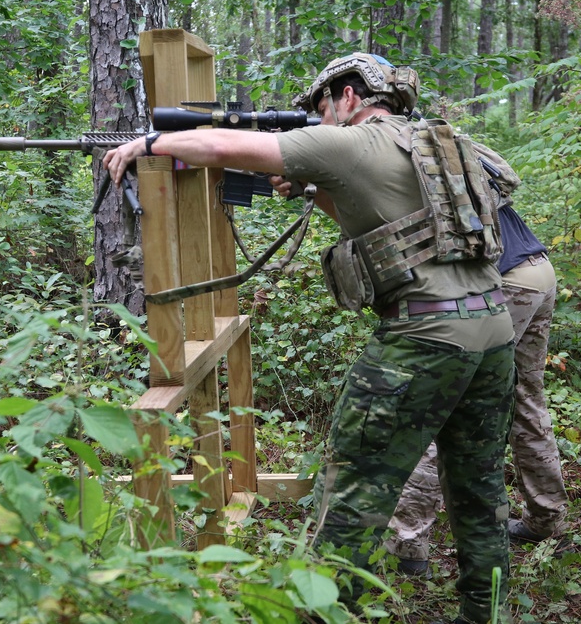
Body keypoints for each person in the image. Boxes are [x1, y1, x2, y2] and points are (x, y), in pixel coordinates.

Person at [104, 53, 516, 624]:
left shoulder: (348, 142)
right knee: (480, 488)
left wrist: (145, 147)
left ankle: (327, 614)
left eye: (320, 108)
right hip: (492, 330)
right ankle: (485, 611)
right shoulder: (426, 143)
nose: (318, 121)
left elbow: (218, 148)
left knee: (354, 493)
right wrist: (305, 188)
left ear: (348, 97)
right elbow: (380, 220)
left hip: (426, 336)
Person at [385, 188, 569, 574]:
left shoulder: (406, 158)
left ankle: (408, 543)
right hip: (537, 270)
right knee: (526, 396)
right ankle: (547, 517)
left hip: (506, 283)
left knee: (443, 401)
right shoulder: (450, 153)